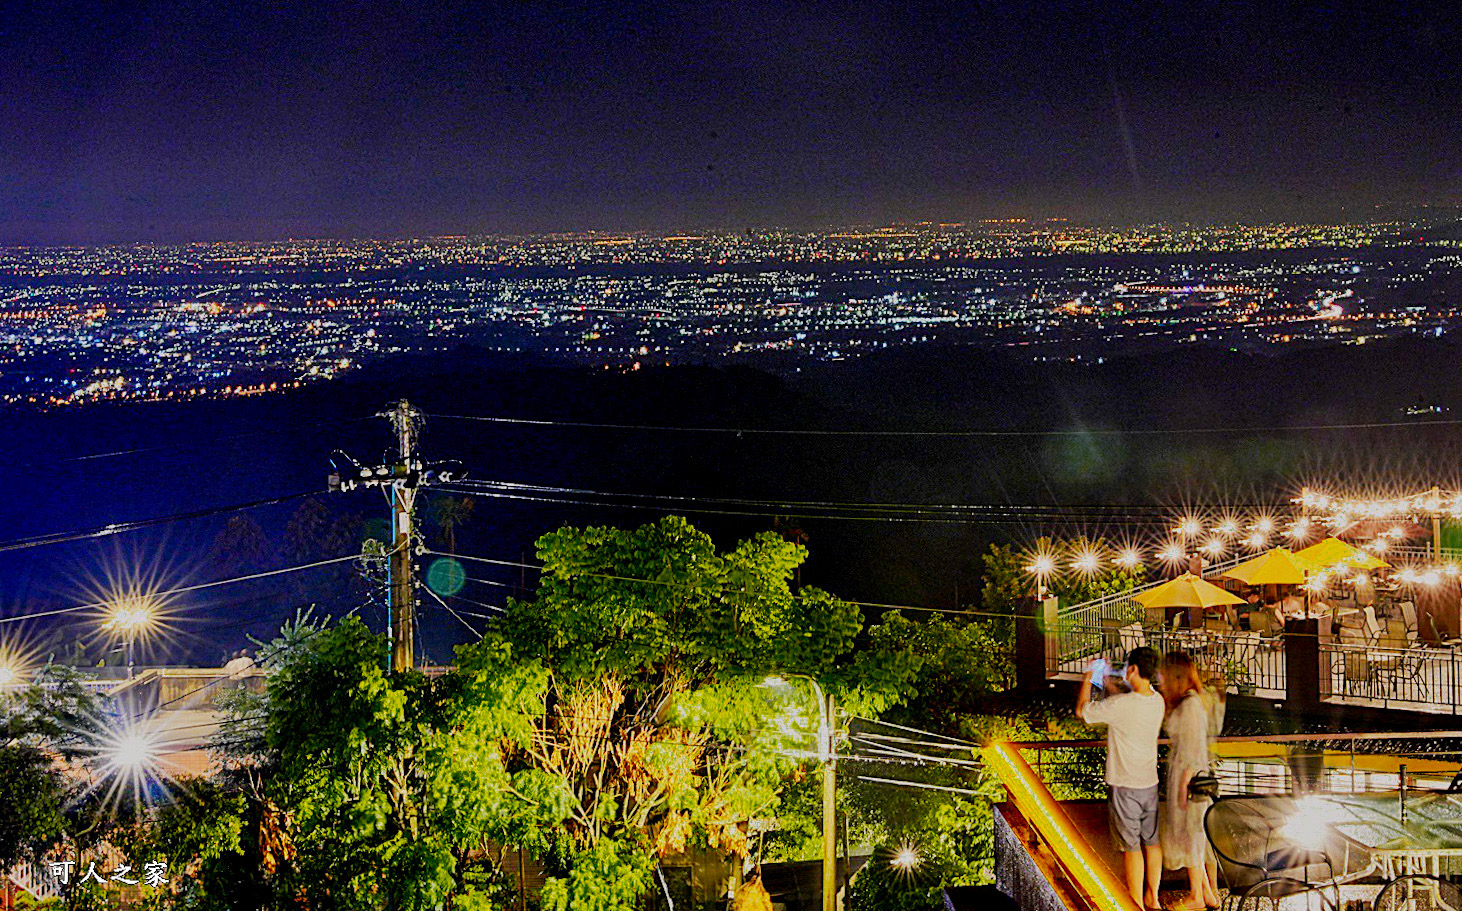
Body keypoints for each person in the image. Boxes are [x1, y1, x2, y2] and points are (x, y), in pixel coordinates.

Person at [1077, 646, 1165, 910]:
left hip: (1124, 785)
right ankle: (1154, 898)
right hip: (1149, 782)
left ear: (1134, 670)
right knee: (1152, 842)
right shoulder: (1157, 700)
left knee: (1131, 846)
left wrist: (1088, 679)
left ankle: (1135, 902)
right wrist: (1106, 684)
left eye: (1128, 667)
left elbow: (1083, 711)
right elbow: (1124, 706)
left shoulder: (1121, 705)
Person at [1159, 652, 1222, 911]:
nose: (1159, 680)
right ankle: (1207, 893)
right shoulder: (1190, 703)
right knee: (1193, 835)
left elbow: (1191, 751)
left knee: (1191, 835)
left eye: (1163, 675)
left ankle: (1197, 895)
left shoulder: (1190, 707)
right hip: (1190, 777)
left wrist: (1183, 789)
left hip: (1190, 780)